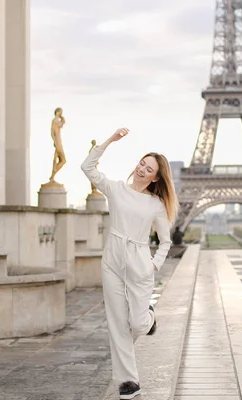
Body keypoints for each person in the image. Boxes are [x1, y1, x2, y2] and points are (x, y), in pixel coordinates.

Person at [81, 127, 178, 400]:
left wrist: (153, 265)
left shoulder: (157, 205)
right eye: (141, 163)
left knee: (136, 323)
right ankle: (128, 382)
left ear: (156, 177)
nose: (141, 170)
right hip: (112, 258)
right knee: (117, 323)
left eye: (148, 169)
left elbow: (165, 242)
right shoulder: (116, 189)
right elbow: (86, 167)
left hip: (139, 263)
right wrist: (110, 141)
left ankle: (149, 316)